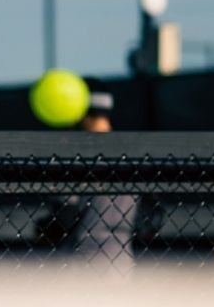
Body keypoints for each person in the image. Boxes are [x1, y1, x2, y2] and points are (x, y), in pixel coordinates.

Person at [69, 77, 137, 280]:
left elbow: (66, 212)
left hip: (85, 263)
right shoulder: (128, 154)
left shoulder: (79, 156)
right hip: (121, 261)